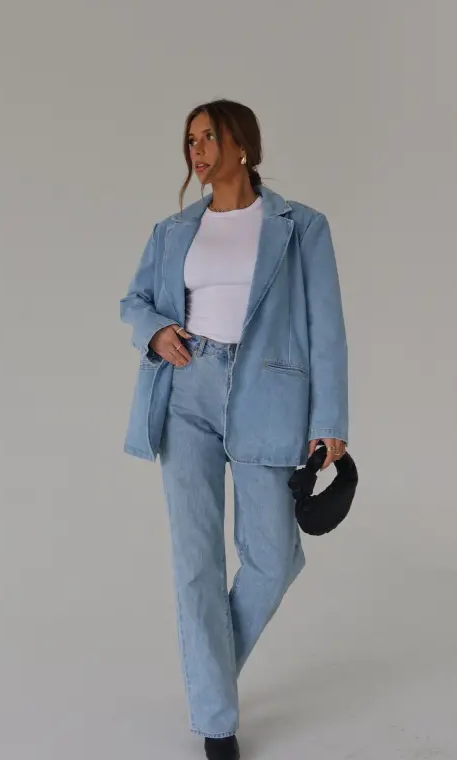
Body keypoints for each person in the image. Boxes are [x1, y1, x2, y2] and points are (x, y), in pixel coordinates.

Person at [119, 99, 349, 760]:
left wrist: (329, 421)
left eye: (208, 137)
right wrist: (154, 331)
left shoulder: (300, 226)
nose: (196, 150)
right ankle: (217, 724)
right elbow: (133, 301)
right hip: (185, 391)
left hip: (267, 395)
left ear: (240, 144)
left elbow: (327, 328)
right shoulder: (172, 230)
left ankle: (208, 681)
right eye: (189, 139)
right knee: (196, 561)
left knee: (274, 558)